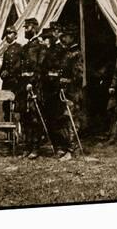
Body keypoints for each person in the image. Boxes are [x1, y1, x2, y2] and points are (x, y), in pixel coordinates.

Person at [17, 17, 46, 159]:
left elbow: (40, 68)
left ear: (34, 28)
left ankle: (35, 147)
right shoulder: (25, 47)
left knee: (35, 118)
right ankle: (27, 147)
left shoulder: (40, 47)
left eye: (27, 28)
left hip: (35, 87)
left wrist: (32, 82)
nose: (25, 30)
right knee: (25, 117)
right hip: (23, 87)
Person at [40, 25, 67, 158]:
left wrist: (55, 77)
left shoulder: (61, 49)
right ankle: (56, 147)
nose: (44, 41)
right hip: (47, 88)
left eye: (46, 39)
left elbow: (62, 68)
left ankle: (62, 147)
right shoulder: (48, 51)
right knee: (50, 118)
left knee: (57, 118)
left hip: (56, 87)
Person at [58, 23, 85, 160]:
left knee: (72, 120)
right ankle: (70, 148)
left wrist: (66, 80)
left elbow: (79, 76)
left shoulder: (76, 54)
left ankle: (72, 150)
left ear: (72, 38)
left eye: (66, 37)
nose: (63, 39)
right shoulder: (68, 52)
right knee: (67, 120)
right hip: (67, 92)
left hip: (74, 93)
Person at [0, 26, 22, 122]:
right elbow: (3, 66)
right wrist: (1, 73)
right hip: (7, 82)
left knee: (15, 106)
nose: (7, 36)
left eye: (10, 33)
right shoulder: (7, 50)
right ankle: (7, 129)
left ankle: (15, 130)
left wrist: (9, 72)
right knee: (6, 106)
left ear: (15, 36)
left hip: (15, 82)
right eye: (6, 34)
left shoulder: (19, 48)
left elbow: (19, 64)